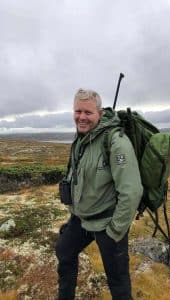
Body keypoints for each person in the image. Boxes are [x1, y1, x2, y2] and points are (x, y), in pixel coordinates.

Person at [55, 88, 143, 300]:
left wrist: (115, 230)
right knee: (64, 252)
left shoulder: (116, 142)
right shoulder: (81, 139)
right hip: (81, 220)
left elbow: (131, 191)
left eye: (88, 112)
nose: (82, 117)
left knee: (118, 281)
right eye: (78, 111)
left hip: (107, 224)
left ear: (100, 113)